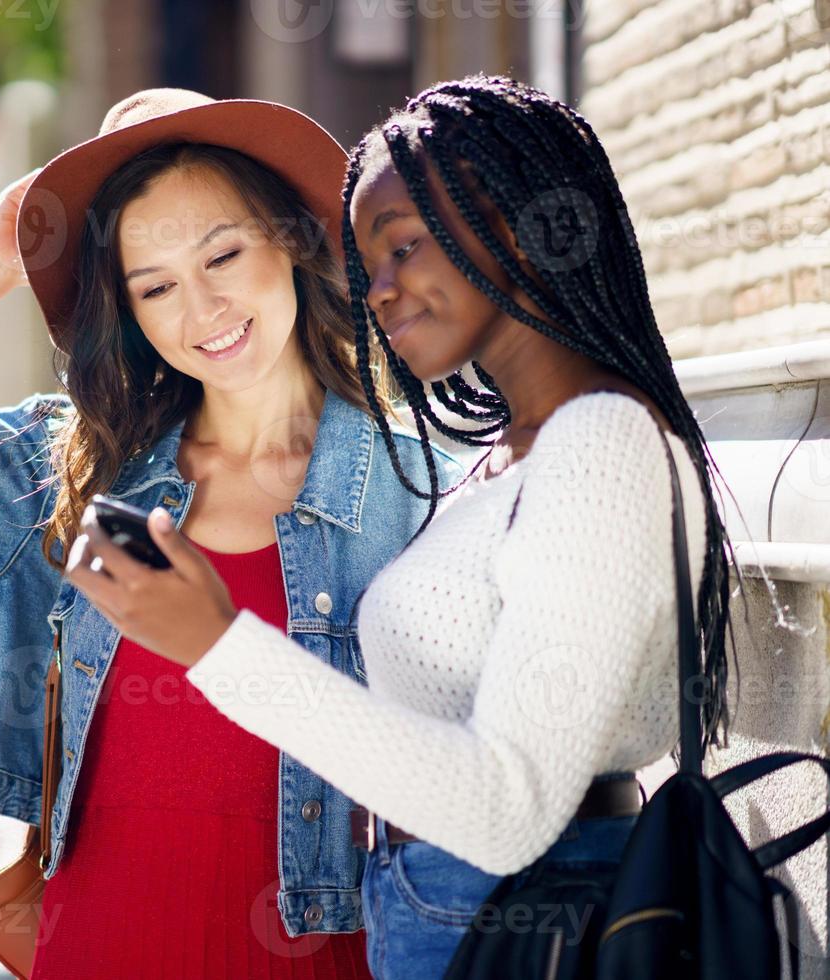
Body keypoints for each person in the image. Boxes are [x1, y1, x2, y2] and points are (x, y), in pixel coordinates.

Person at [0, 87, 458, 977]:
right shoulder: (59, 478)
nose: (201, 308)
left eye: (224, 255)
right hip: (102, 943)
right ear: (126, 313)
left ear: (289, 238)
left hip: (326, 954)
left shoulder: (419, 487)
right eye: (155, 286)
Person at [62, 75, 732, 979]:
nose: (378, 290)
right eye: (368, 262)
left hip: (526, 924)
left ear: (513, 232)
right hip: (443, 914)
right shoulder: (505, 459)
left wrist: (217, 643)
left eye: (404, 247)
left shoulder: (602, 445)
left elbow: (506, 810)